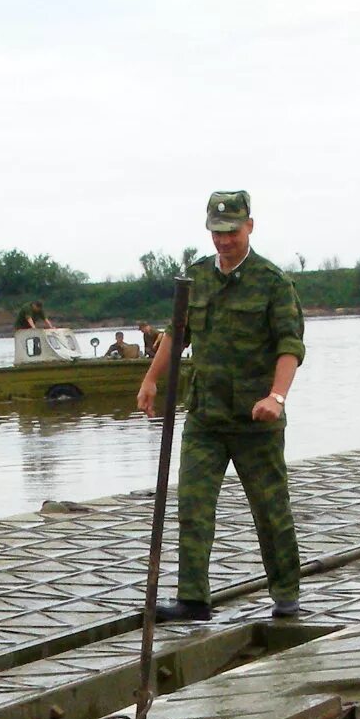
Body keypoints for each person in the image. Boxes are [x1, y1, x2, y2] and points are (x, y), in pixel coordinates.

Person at [137, 190, 305, 622]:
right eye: (216, 231)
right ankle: (193, 598)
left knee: (270, 509)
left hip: (256, 419)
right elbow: (177, 334)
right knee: (193, 506)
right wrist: (152, 379)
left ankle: (286, 593)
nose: (223, 240)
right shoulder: (196, 279)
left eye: (231, 231)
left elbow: (290, 346)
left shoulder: (273, 282)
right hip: (206, 417)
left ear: (250, 226)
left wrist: (277, 397)